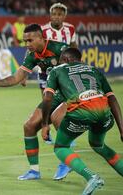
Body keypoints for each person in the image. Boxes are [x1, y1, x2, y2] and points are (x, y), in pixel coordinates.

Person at [0, 23, 70, 181]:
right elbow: (16, 77)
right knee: (29, 126)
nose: (27, 45)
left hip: (70, 93)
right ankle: (34, 171)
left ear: (41, 38)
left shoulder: (60, 49)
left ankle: (67, 162)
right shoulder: (32, 54)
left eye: (30, 40)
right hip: (53, 95)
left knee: (57, 120)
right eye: (25, 41)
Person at [41, 47, 123, 195]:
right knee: (98, 145)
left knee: (60, 147)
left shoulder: (57, 70)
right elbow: (112, 98)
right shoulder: (94, 69)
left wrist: (45, 124)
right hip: (104, 114)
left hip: (81, 114)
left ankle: (91, 177)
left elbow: (48, 98)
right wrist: (122, 129)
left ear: (65, 60)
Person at [41, 2, 78, 179]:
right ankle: (49, 130)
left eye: (59, 14)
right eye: (53, 14)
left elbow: (75, 49)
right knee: (46, 104)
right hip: (45, 74)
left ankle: (66, 155)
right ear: (50, 15)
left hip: (63, 76)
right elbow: (34, 51)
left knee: (59, 111)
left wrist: (75, 66)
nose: (56, 17)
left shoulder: (70, 29)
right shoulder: (42, 30)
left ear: (64, 16)